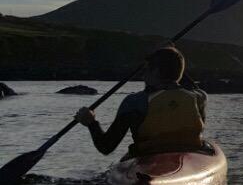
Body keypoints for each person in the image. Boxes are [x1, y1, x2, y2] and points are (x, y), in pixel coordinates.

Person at [74, 46, 208, 157]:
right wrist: (170, 56)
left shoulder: (134, 102)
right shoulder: (199, 97)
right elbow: (176, 77)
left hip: (149, 158)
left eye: (146, 70)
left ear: (155, 71)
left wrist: (91, 123)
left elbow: (106, 147)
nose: (143, 75)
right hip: (190, 155)